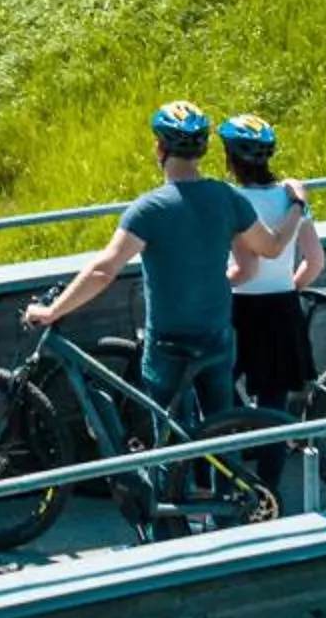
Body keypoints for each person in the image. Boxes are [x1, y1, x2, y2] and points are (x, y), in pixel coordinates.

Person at [22, 101, 309, 435]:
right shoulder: (227, 198)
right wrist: (298, 206)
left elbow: (104, 270)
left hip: (169, 341)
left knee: (169, 435)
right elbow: (267, 251)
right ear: (202, 150)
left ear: (159, 147)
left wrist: (54, 310)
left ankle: (174, 486)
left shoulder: (149, 208)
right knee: (220, 428)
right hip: (216, 335)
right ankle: (225, 487)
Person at [218, 113, 325, 421]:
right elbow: (315, 261)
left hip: (237, 305)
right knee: (274, 407)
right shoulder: (291, 198)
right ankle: (270, 467)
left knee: (217, 389)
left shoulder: (230, 198)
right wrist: (288, 289)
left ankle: (232, 455)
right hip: (281, 307)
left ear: (230, 157)